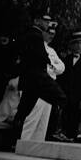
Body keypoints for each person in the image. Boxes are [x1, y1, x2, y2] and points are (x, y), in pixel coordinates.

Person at [12, 14, 67, 145]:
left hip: (38, 81)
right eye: (45, 22)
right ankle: (22, 142)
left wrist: (51, 66)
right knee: (31, 115)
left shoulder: (49, 48)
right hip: (38, 80)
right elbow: (38, 60)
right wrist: (50, 65)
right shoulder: (35, 37)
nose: (50, 34)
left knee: (35, 117)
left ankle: (29, 144)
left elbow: (61, 67)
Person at [56, 30, 81, 143]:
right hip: (67, 94)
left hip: (80, 95)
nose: (79, 46)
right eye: (76, 43)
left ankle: (78, 134)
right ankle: (64, 133)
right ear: (71, 45)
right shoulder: (66, 59)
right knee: (65, 115)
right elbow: (61, 78)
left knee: (79, 115)